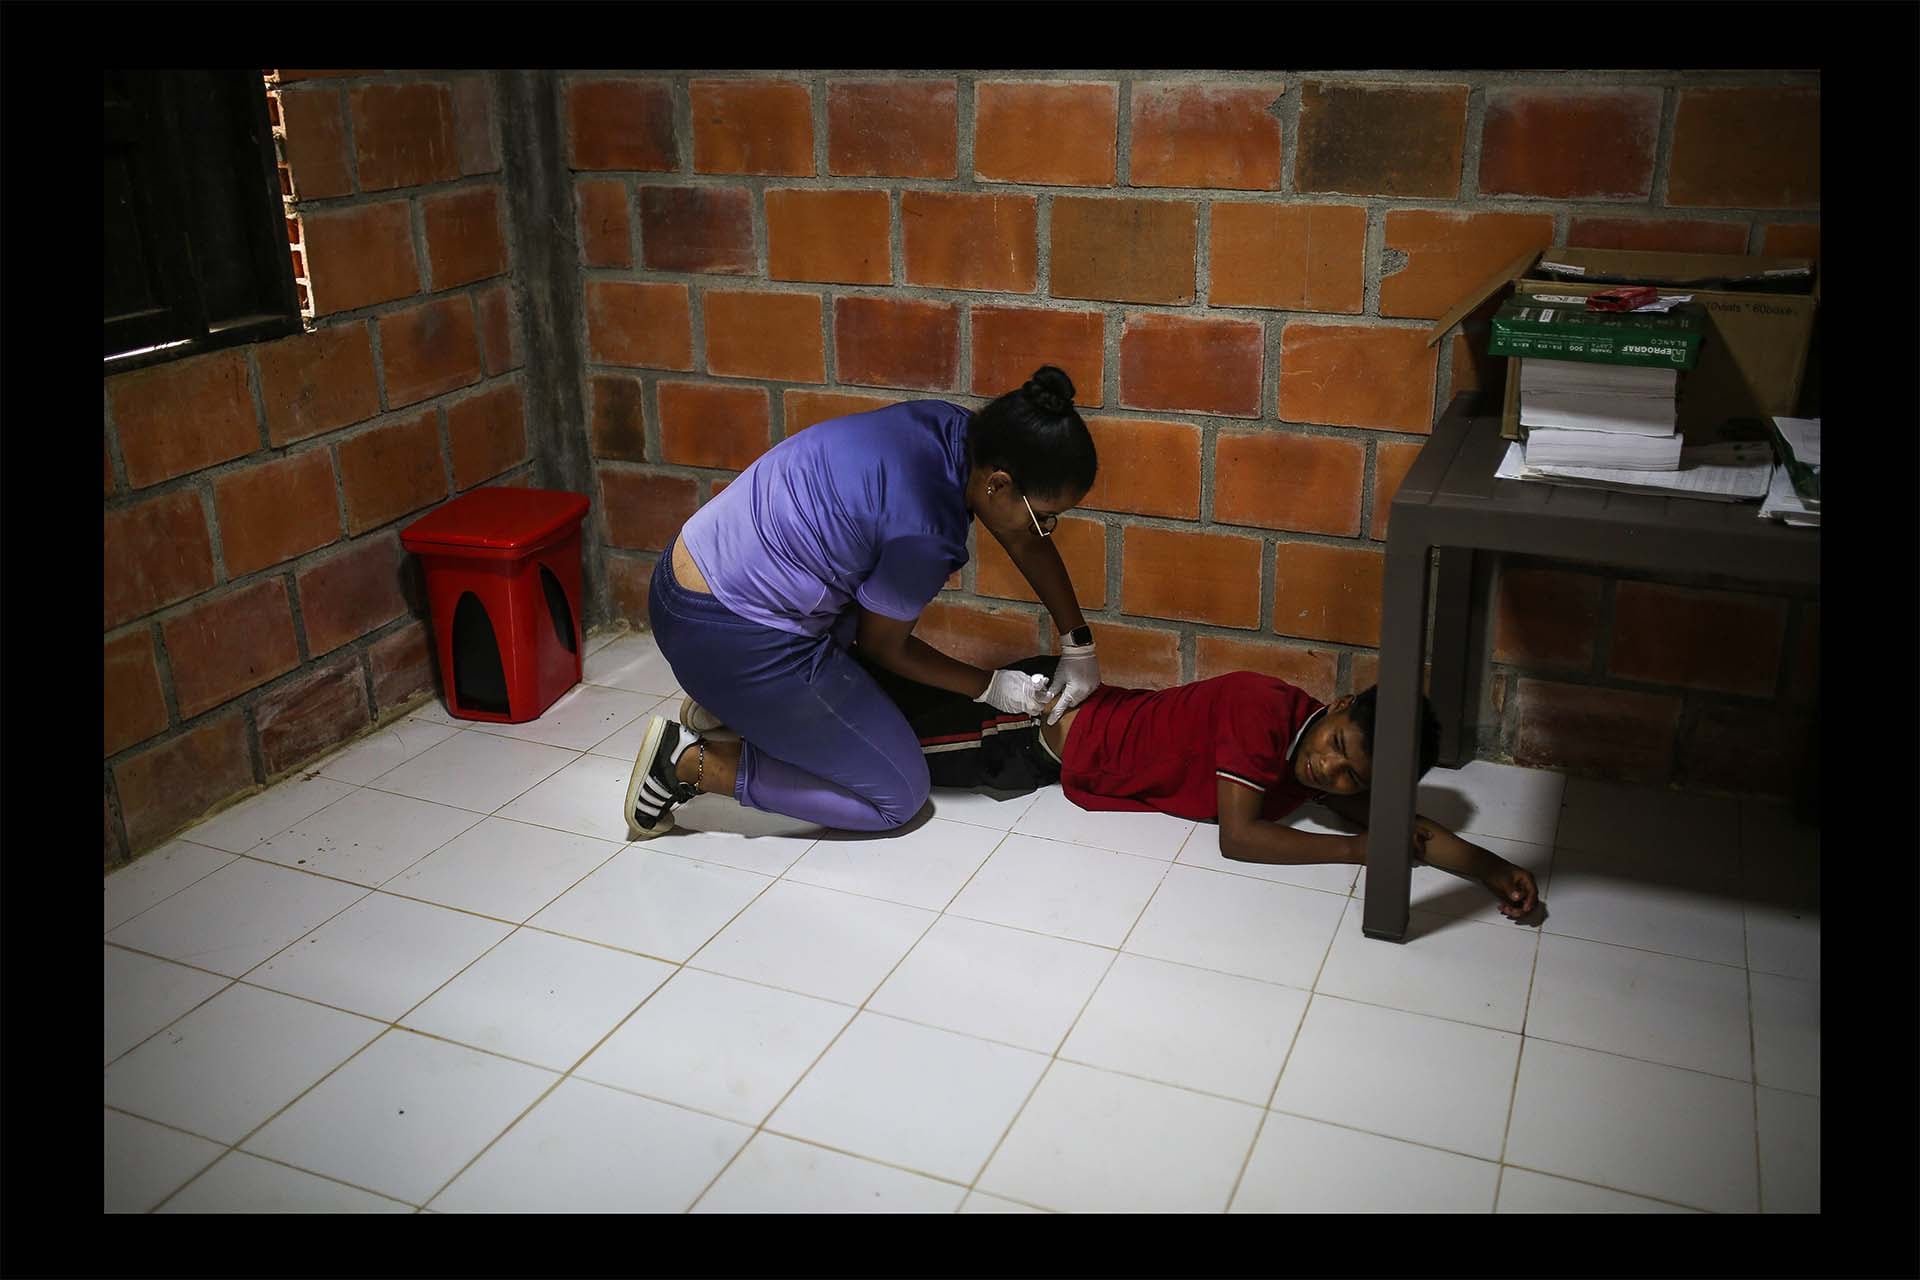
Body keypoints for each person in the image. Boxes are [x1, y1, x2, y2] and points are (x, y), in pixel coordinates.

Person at [624, 366, 1102, 839]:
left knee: (854, 598)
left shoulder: (950, 429)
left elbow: (1022, 537)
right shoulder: (926, 529)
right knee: (897, 794)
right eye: (1045, 517)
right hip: (724, 635)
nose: (1043, 529)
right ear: (997, 485)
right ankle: (687, 762)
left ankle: (732, 707)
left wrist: (1078, 644)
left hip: (682, 580)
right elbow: (884, 647)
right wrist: (992, 686)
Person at [852, 655, 1542, 921]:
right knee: (874, 743)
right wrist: (1356, 850)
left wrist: (1494, 870)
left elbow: (1409, 829)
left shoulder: (1309, 757)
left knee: (879, 712)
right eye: (1338, 750)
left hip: (1050, 746)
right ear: (1334, 708)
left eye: (1352, 778)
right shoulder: (1263, 713)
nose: (1329, 775)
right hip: (1030, 734)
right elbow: (1239, 839)